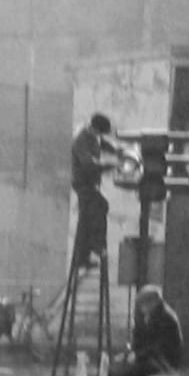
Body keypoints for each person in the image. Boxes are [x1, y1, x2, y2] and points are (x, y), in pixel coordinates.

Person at [109, 284, 183, 376]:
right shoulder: (146, 316)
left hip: (164, 362)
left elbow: (159, 346)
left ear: (154, 303)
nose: (142, 308)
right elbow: (139, 340)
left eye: (144, 304)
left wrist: (138, 355)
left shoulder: (166, 318)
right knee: (116, 367)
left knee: (132, 372)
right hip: (149, 358)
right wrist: (130, 352)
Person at [70, 112, 118, 269]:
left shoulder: (91, 134)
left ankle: (83, 256)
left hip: (90, 182)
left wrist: (119, 150)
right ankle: (96, 245)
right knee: (100, 205)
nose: (99, 135)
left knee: (87, 219)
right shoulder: (81, 139)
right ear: (94, 127)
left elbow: (101, 142)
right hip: (83, 183)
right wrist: (108, 165)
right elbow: (88, 164)